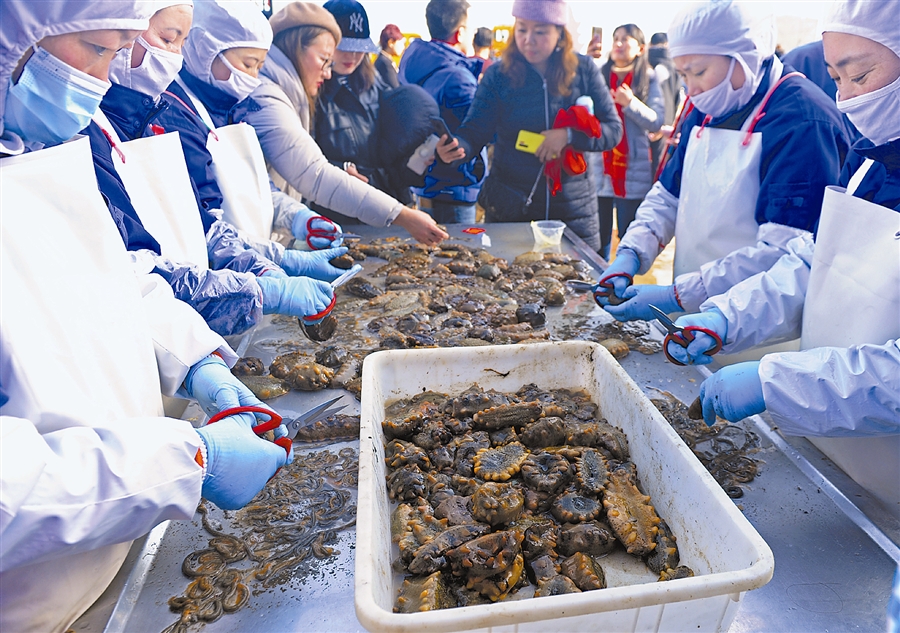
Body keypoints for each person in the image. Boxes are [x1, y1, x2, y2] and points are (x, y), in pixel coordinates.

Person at [0, 3, 288, 631]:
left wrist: (196, 360)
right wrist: (185, 462)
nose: (107, 79)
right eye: (98, 49)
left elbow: (114, 277)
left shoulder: (35, 156)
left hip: (110, 560)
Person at [663, 0, 899, 511]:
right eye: (836, 77)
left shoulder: (800, 119)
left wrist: (776, 383)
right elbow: (812, 265)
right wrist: (725, 318)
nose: (847, 99)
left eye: (860, 75)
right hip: (827, 449)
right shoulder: (870, 162)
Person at [89, 0, 341, 336]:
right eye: (168, 39)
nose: (175, 57)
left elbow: (201, 220)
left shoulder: (179, 110)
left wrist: (272, 257)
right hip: (162, 330)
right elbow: (133, 269)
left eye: (181, 42)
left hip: (194, 317)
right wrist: (265, 285)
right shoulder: (114, 124)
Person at [594, 0, 851, 327]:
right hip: (691, 311)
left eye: (699, 71)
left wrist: (679, 295)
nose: (692, 87)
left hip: (757, 325)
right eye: (683, 73)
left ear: (746, 54)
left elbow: (782, 253)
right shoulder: (709, 102)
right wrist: (631, 251)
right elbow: (669, 194)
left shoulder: (803, 123)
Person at [242, 2, 447, 246]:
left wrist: (418, 160)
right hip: (327, 217)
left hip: (345, 213)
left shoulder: (375, 88)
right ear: (296, 48)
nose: (349, 58)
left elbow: (387, 158)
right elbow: (313, 173)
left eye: (359, 49)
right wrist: (399, 214)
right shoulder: (272, 96)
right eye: (325, 59)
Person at [436, 0, 624, 251]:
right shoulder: (499, 74)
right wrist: (459, 146)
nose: (528, 39)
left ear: (559, 33)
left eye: (540, 31)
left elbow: (613, 130)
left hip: (571, 213)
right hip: (511, 207)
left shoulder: (584, 70)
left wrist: (568, 135)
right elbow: (474, 130)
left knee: (576, 285)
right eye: (522, 29)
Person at [314, 0, 411, 224]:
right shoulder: (311, 91)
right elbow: (298, 157)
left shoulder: (376, 83)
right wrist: (340, 170)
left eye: (360, 47)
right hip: (333, 214)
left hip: (380, 208)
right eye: (344, 47)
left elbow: (390, 150)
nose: (353, 55)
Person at [399, 0, 485, 224]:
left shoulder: (412, 64)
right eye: (472, 29)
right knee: (457, 254)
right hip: (455, 186)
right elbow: (480, 129)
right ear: (460, 32)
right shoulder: (458, 77)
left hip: (424, 180)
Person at [594, 24, 665, 260]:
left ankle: (620, 287)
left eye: (626, 40)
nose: (618, 44)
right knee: (598, 237)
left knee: (627, 236)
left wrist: (630, 102)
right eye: (616, 39)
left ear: (640, 48)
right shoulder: (599, 75)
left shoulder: (650, 78)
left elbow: (656, 121)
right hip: (599, 166)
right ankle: (598, 284)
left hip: (632, 169)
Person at [646, 31, 683, 178]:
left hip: (650, 123)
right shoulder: (674, 66)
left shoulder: (647, 65)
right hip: (667, 126)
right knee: (660, 167)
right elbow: (678, 99)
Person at [375, 23, 403, 88]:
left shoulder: (384, 59)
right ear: (391, 43)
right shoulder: (385, 63)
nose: (403, 46)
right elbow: (396, 88)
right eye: (401, 42)